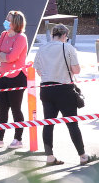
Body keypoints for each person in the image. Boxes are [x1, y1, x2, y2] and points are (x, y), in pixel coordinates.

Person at [33, 24, 91, 165]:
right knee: (72, 124)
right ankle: (82, 156)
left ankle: (50, 157)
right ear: (64, 35)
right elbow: (76, 70)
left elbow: (38, 71)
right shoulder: (68, 48)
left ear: (52, 34)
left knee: (48, 123)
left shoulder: (42, 49)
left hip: (46, 89)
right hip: (64, 89)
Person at [0, 11, 28, 149]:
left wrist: (3, 56)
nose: (6, 21)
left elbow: (12, 57)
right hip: (3, 76)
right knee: (2, 108)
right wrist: (5, 56)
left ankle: (18, 139)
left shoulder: (21, 38)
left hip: (17, 77)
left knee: (16, 108)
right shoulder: (3, 35)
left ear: (16, 23)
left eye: (8, 19)